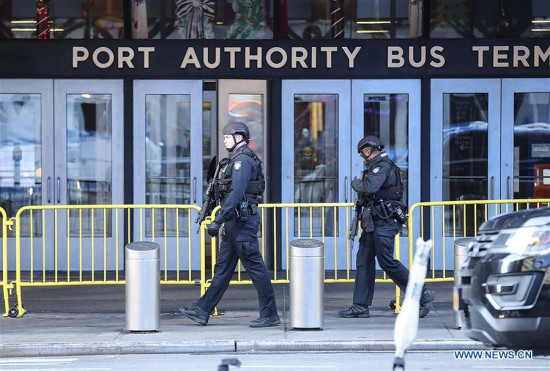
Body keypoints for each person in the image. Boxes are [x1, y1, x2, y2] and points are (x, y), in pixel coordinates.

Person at [180, 122, 280, 328]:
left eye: (227, 136)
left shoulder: (242, 161)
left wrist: (218, 220)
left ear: (239, 137)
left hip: (242, 224)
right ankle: (203, 310)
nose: (224, 140)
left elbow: (236, 193)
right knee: (222, 270)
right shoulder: (233, 160)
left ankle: (270, 315)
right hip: (234, 223)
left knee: (256, 269)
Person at [338, 135, 435, 319]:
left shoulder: (382, 166)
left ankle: (422, 294)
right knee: (364, 261)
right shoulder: (376, 167)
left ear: (372, 149)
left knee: (387, 261)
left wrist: (354, 183)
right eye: (361, 153)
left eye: (364, 152)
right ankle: (360, 305)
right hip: (373, 222)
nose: (363, 156)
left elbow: (370, 187)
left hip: (385, 221)